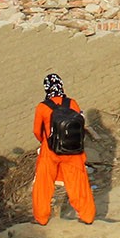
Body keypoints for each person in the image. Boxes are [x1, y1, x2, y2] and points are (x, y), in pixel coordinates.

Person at [32, 74, 95, 225]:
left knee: (43, 184)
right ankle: (87, 216)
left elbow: (37, 131)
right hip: (73, 150)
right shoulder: (72, 103)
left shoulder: (42, 107)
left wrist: (47, 142)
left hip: (51, 151)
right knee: (78, 183)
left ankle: (41, 218)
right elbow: (80, 125)